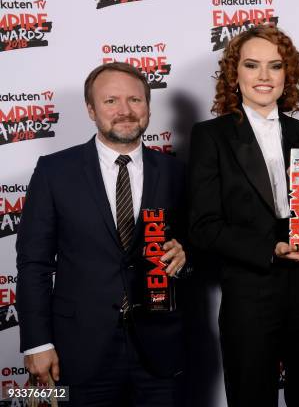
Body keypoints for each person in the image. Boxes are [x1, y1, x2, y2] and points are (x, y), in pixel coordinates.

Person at [16, 62, 188, 406]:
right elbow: (34, 263)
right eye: (111, 101)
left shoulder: (175, 171)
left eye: (135, 100)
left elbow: (196, 239)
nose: (124, 111)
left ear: (148, 107)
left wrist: (188, 254)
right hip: (78, 351)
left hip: (159, 349)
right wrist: (37, 344)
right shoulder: (54, 172)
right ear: (91, 110)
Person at [188, 25, 299, 407]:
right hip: (249, 295)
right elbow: (203, 227)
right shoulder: (211, 136)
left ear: (289, 75)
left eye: (275, 66)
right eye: (252, 66)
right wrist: (272, 248)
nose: (264, 77)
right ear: (235, 74)